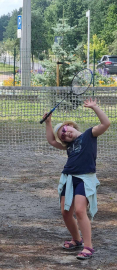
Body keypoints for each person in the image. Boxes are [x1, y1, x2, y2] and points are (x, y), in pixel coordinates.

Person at [44, 98, 110, 260]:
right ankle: (77, 239)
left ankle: (88, 247)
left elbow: (106, 123)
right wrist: (48, 123)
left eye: (65, 130)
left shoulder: (89, 134)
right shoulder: (68, 145)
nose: (65, 134)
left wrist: (95, 107)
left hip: (85, 179)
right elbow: (52, 140)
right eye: (63, 136)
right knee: (66, 213)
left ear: (71, 126)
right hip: (68, 179)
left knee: (80, 211)